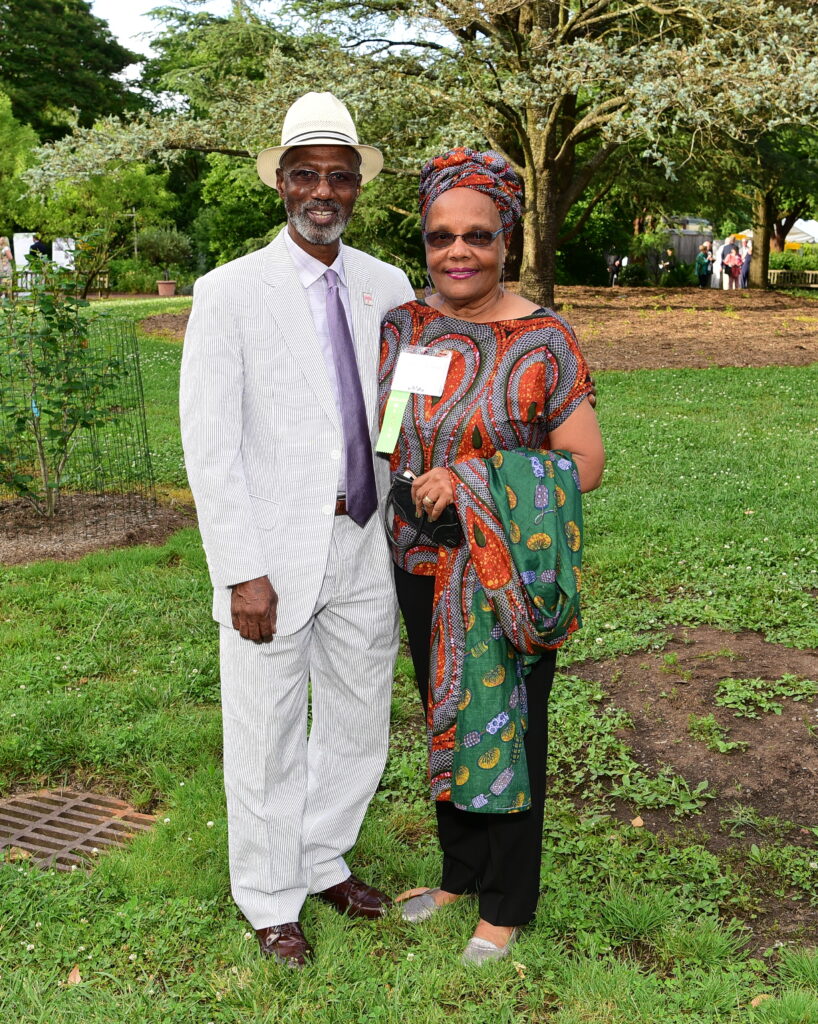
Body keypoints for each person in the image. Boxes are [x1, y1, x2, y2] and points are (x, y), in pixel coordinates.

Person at [179, 92, 415, 968]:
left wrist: (397, 484)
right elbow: (210, 446)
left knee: (358, 722)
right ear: (280, 183)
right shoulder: (230, 291)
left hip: (366, 540)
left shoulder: (385, 284)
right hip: (272, 556)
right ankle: (270, 897)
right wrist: (241, 568)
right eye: (307, 173)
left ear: (357, 188)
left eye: (340, 176)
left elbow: (394, 409)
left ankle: (321, 859)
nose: (324, 190)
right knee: (266, 730)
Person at [378, 149, 604, 964]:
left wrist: (472, 480)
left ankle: (505, 906)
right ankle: (459, 875)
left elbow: (585, 462)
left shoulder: (543, 339)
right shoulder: (405, 326)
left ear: (506, 237)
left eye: (477, 235)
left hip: (507, 576)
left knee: (506, 731)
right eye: (441, 237)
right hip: (420, 567)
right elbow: (388, 430)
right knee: (445, 717)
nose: (457, 252)